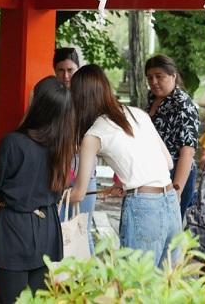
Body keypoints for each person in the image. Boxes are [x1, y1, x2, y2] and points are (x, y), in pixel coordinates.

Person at [70, 65, 180, 266]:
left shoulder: (93, 135)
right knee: (166, 286)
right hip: (171, 201)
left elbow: (78, 193)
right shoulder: (138, 113)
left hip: (144, 207)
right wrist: (127, 183)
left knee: (136, 287)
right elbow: (168, 162)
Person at [0, 77, 75, 304]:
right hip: (48, 228)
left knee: (12, 300)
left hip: (15, 228)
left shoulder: (13, 143)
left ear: (38, 104)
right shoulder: (63, 146)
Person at [144, 55, 199, 217]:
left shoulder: (183, 105)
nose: (154, 82)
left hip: (176, 173)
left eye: (159, 77)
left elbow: (188, 152)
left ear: (173, 76)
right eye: (149, 77)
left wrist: (177, 190)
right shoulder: (152, 99)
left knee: (169, 231)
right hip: (152, 172)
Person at [53, 47, 96, 252]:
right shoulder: (49, 95)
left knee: (81, 228)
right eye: (60, 70)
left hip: (84, 169)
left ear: (78, 69)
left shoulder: (87, 96)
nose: (66, 75)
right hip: (57, 170)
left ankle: (89, 280)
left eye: (70, 69)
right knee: (58, 228)